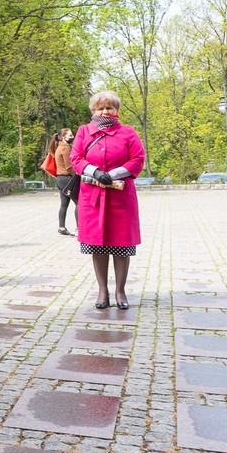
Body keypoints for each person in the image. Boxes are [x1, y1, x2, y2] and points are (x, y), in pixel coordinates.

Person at [70, 90, 145, 311]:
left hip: (121, 197)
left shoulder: (127, 132)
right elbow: (76, 158)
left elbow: (138, 158)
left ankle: (120, 291)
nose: (105, 111)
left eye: (109, 107)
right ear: (93, 110)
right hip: (92, 199)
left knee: (121, 245)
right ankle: (103, 290)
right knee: (98, 245)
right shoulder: (84, 131)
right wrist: (94, 171)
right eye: (100, 108)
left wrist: (113, 174)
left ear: (116, 110)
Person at [51, 127, 78, 236]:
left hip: (60, 179)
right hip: (67, 179)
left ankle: (61, 227)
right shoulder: (65, 149)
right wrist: (78, 176)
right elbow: (69, 167)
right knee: (78, 202)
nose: (73, 137)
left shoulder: (59, 147)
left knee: (64, 204)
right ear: (63, 137)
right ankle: (79, 229)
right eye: (70, 135)